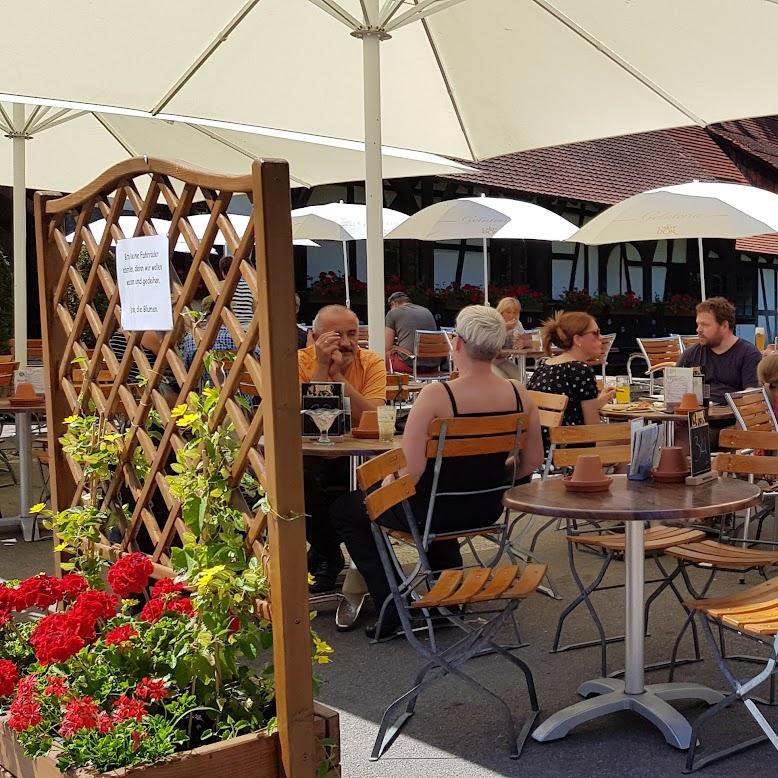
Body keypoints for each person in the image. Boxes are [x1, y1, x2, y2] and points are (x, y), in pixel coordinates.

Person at [332, 305, 544, 638]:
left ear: (457, 343)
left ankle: (392, 605)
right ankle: (445, 599)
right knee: (429, 498)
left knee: (347, 510)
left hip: (430, 512)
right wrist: (486, 479)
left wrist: (380, 490)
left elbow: (411, 473)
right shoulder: (520, 395)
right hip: (486, 510)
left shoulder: (436, 396)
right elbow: (532, 462)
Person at [299, 304, 387, 593]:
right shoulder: (299, 362)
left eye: (353, 334)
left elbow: (371, 416)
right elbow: (311, 422)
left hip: (357, 455)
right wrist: (322, 368)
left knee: (356, 496)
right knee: (299, 481)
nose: (348, 343)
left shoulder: (370, 361)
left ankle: (324, 553)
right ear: (314, 337)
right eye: (337, 336)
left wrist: (339, 378)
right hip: (310, 455)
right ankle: (328, 552)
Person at [527, 311, 615, 433]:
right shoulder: (580, 370)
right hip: (571, 445)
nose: (601, 338)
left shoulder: (545, 366)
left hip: (546, 445)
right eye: (595, 333)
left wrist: (599, 402)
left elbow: (571, 407)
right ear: (577, 339)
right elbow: (593, 429)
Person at [677, 297, 761, 405]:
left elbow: (752, 395)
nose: (699, 329)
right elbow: (675, 390)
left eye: (705, 325)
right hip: (695, 416)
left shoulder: (749, 354)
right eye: (698, 324)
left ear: (724, 326)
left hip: (731, 418)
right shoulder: (691, 354)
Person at [384, 291, 440, 374]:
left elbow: (386, 346)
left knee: (382, 355)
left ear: (394, 303)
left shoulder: (393, 313)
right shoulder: (426, 311)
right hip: (434, 364)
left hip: (411, 364)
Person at [219, 254, 254, 329]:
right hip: (250, 327)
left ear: (223, 272)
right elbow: (254, 308)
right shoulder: (250, 285)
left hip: (231, 328)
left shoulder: (220, 286)